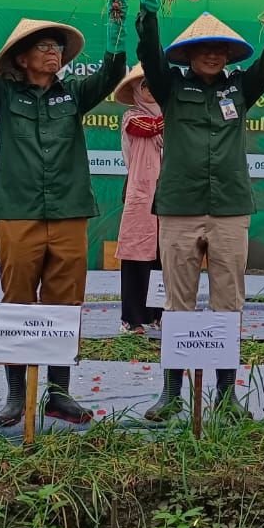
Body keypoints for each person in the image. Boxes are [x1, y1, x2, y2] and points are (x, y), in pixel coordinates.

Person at [0, 0, 127, 428]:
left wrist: (117, 26)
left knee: (65, 303)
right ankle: (15, 394)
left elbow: (113, 72)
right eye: (44, 47)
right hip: (16, 213)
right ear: (23, 59)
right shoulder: (4, 96)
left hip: (68, 213)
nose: (54, 53)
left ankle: (60, 393)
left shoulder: (74, 96)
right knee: (17, 303)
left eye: (58, 48)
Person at [136, 0, 264, 420]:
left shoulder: (240, 87)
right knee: (178, 302)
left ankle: (227, 396)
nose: (212, 55)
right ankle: (172, 394)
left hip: (230, 208)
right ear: (188, 54)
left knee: (229, 301)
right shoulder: (171, 85)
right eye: (202, 49)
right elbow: (148, 53)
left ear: (228, 54)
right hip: (178, 207)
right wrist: (147, 11)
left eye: (219, 49)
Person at [114, 65, 165, 333]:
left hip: (169, 193)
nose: (151, 90)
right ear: (136, 90)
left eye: (155, 84)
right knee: (137, 257)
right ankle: (132, 319)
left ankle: (159, 315)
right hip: (141, 195)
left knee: (164, 257)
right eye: (145, 85)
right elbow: (151, 127)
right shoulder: (132, 117)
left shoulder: (171, 117)